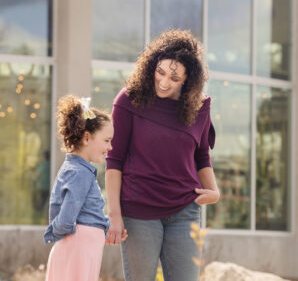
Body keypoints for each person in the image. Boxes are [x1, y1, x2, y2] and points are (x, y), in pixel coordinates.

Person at [105, 29, 220, 281]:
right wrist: (114, 214)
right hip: (138, 211)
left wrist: (214, 191)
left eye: (175, 77)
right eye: (161, 72)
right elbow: (114, 161)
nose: (165, 82)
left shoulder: (200, 107)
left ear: (188, 80)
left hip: (184, 210)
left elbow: (201, 155)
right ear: (151, 66)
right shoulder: (129, 100)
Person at [44, 96, 127, 281]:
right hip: (78, 249)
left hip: (82, 248)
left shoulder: (81, 171)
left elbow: (84, 213)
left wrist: (101, 228)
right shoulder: (79, 173)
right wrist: (55, 234)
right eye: (107, 140)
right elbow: (66, 219)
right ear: (87, 137)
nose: (110, 147)